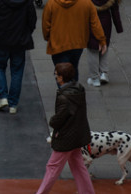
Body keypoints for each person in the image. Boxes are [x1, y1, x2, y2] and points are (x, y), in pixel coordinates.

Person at [35, 62, 96, 194]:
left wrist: (52, 121)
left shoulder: (64, 97)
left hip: (66, 138)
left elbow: (59, 119)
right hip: (78, 134)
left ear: (62, 77)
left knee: (53, 166)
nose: (55, 77)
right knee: (78, 165)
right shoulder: (79, 88)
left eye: (56, 75)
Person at [42, 0, 106, 82]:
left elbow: (46, 24)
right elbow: (95, 23)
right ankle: (73, 93)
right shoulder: (85, 1)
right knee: (73, 68)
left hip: (58, 43)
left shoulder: (52, 2)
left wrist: (48, 37)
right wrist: (102, 40)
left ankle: (66, 94)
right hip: (77, 43)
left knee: (61, 73)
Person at [80, 0, 122, 87]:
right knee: (104, 46)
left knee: (93, 49)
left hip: (91, 23)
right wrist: (118, 27)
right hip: (105, 22)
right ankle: (104, 73)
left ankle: (94, 78)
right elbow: (115, 10)